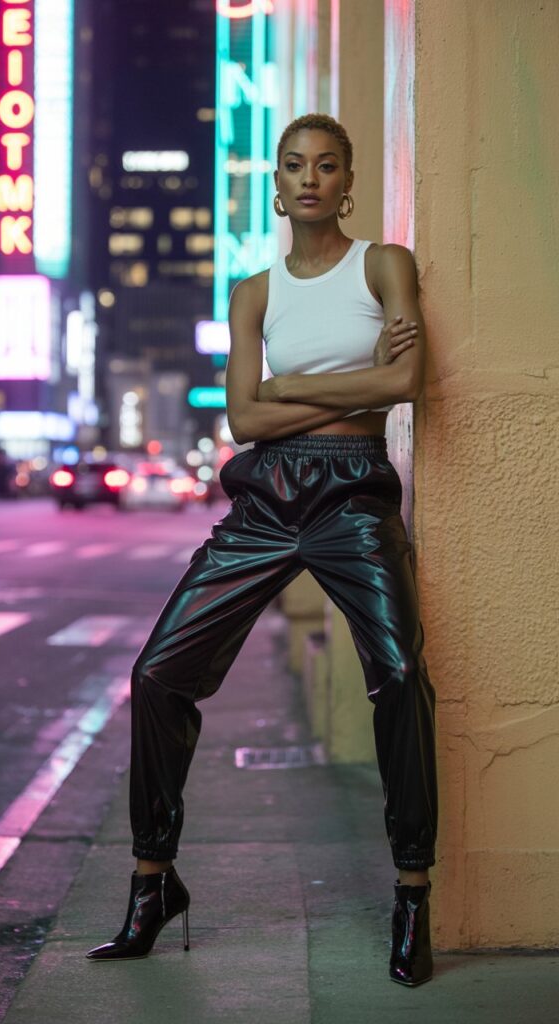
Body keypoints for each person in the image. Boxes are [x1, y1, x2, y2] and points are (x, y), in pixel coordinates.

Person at [86, 113, 438, 987]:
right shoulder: (254, 292)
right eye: (294, 166)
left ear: (346, 181)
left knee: (400, 674)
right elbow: (245, 420)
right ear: (275, 186)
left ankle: (412, 890)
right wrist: (308, 397)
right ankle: (152, 882)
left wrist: (287, 388)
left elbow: (404, 385)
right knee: (159, 673)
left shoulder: (384, 265)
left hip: (355, 492)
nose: (309, 178)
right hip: (268, 494)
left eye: (326, 165)